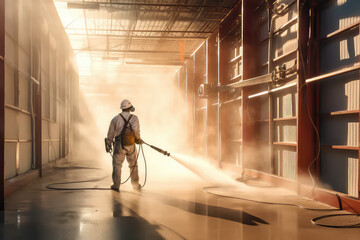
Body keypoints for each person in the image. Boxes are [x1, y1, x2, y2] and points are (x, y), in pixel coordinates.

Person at [105, 99, 143, 191]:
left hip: (119, 144)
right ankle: (135, 184)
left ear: (122, 108)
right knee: (133, 164)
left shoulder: (115, 119)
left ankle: (116, 185)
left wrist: (109, 144)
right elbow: (136, 131)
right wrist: (138, 139)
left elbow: (110, 133)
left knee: (117, 165)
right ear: (129, 108)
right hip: (130, 144)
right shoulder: (134, 118)